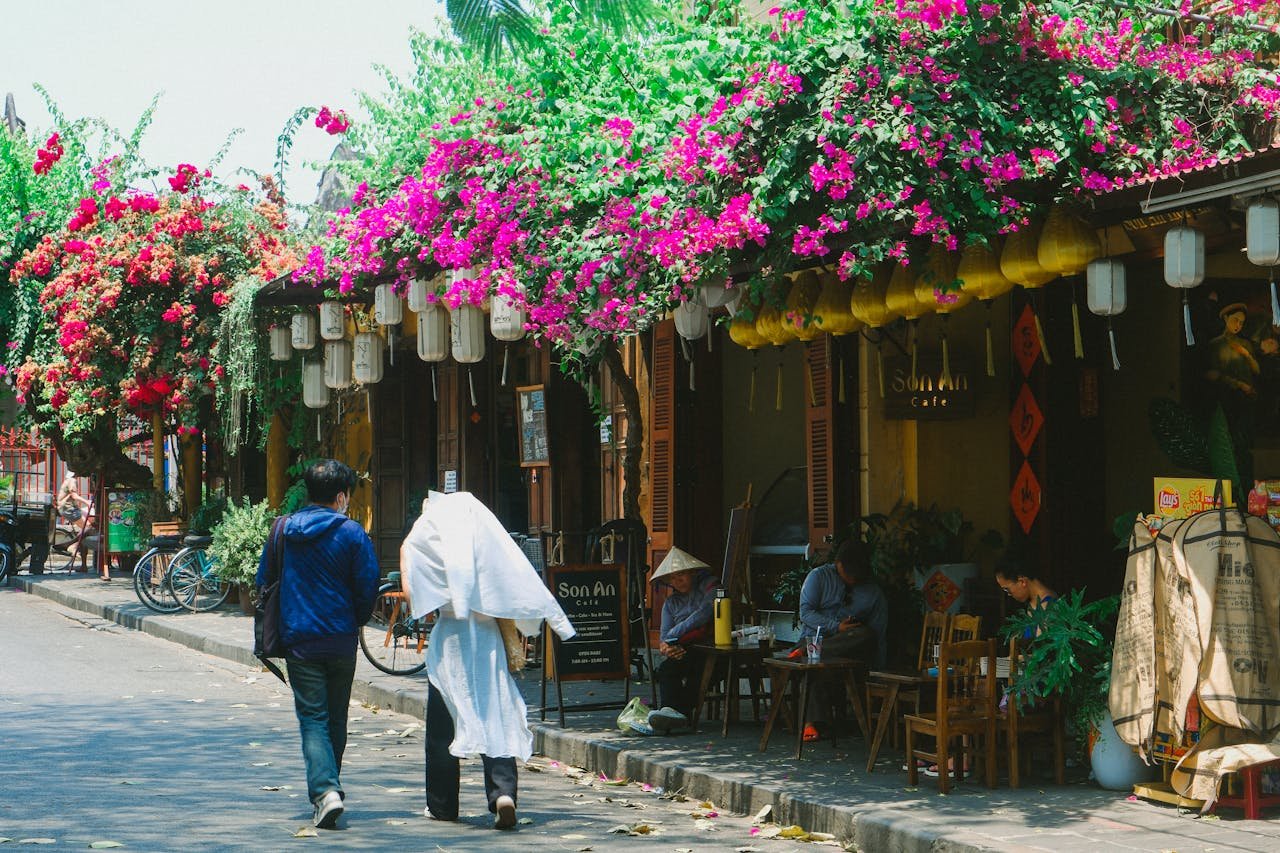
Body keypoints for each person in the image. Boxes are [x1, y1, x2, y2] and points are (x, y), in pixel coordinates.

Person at [401, 490, 575, 830]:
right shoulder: (486, 548)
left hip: (449, 640)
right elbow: (517, 582)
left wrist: (407, 553)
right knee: (494, 712)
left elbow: (414, 598)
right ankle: (502, 794)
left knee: (443, 723)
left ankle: (442, 805)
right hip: (486, 639)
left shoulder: (430, 547)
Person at [256, 459, 379, 830]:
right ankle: (330, 790)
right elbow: (368, 586)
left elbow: (264, 580)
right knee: (336, 717)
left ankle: (327, 792)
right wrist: (354, 619)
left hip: (299, 640)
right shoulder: (353, 533)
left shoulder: (283, 530)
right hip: (340, 640)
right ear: (341, 497)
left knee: (314, 718)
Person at [797, 538, 888, 741]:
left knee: (866, 635)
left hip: (847, 646)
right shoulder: (818, 577)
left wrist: (879, 672)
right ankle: (815, 723)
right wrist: (836, 626)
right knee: (816, 665)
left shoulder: (874, 594)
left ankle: (813, 652)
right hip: (814, 637)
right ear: (838, 564)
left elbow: (879, 634)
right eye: (849, 572)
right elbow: (805, 613)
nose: (853, 578)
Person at [648, 547, 719, 733]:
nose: (677, 581)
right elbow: (663, 638)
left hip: (710, 647)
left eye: (682, 575)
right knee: (667, 669)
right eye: (672, 578)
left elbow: (704, 613)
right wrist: (669, 646)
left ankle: (678, 713)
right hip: (682, 648)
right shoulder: (671, 603)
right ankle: (669, 711)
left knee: (701, 672)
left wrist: (672, 637)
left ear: (693, 573)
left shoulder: (709, 587)